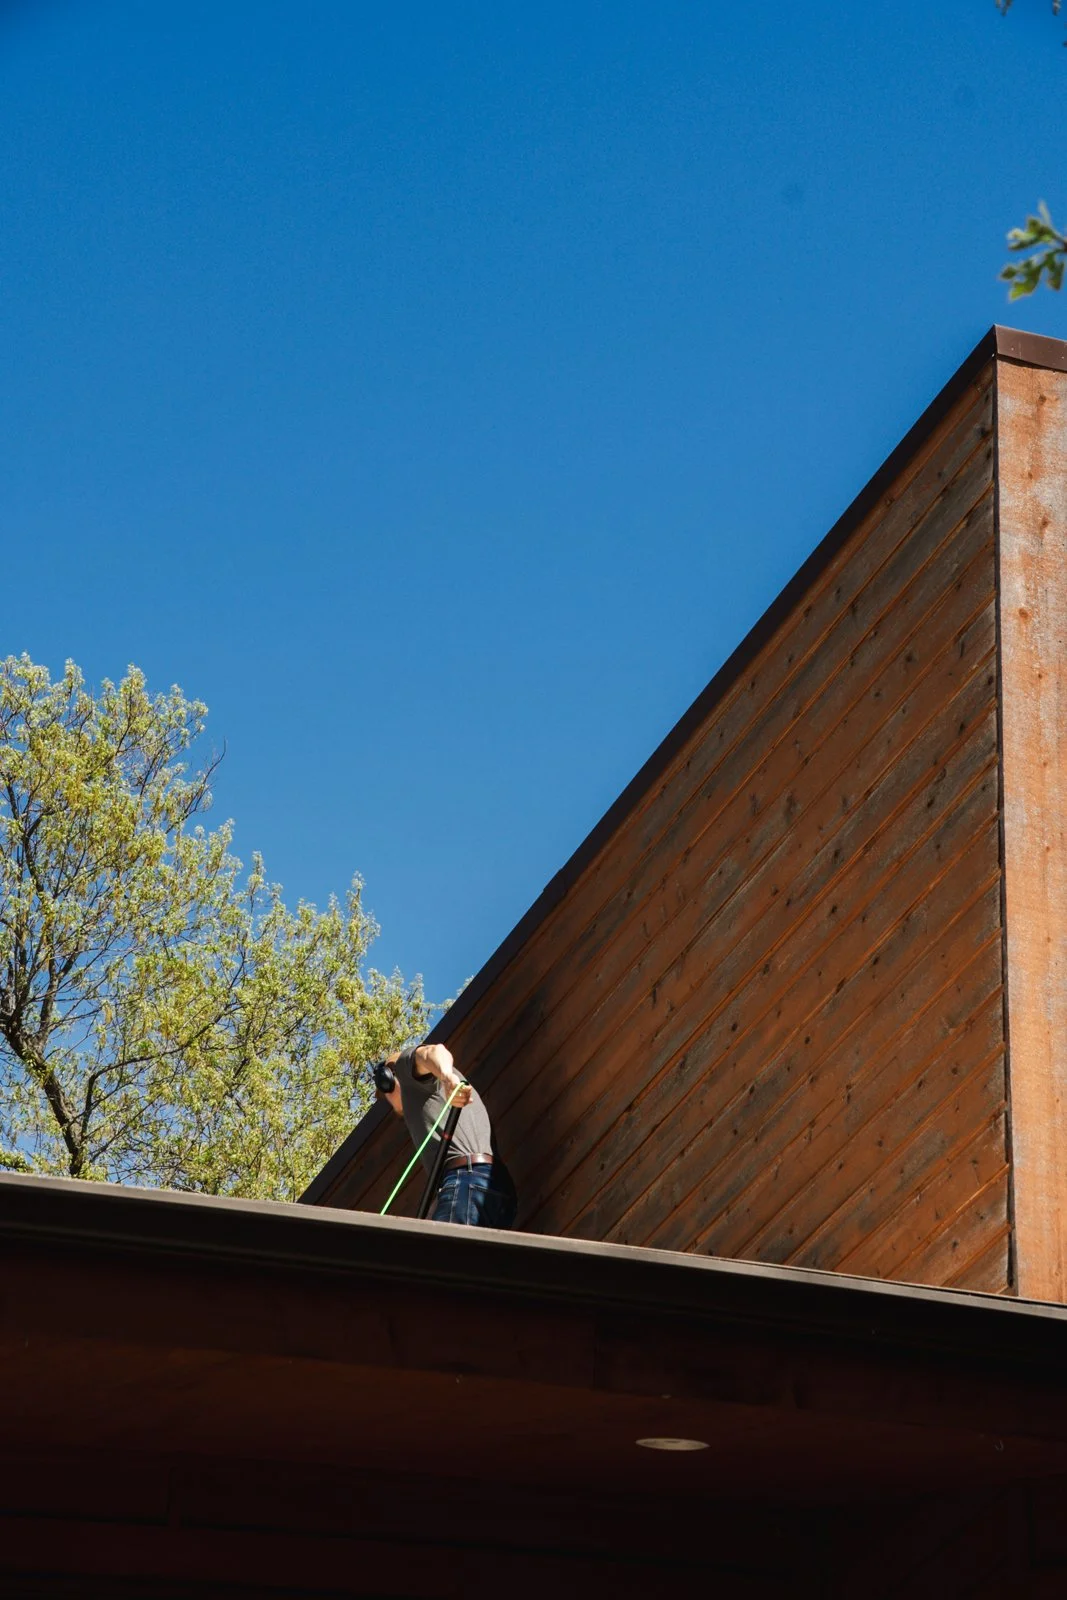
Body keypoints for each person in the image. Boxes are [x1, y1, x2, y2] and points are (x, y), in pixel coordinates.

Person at [375, 1041, 518, 1229]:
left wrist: (447, 1076)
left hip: (467, 1178)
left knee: (443, 1254)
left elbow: (434, 1051)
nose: (388, 1100)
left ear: (388, 1079)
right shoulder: (430, 1097)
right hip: (497, 1188)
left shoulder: (404, 1070)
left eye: (385, 1092)